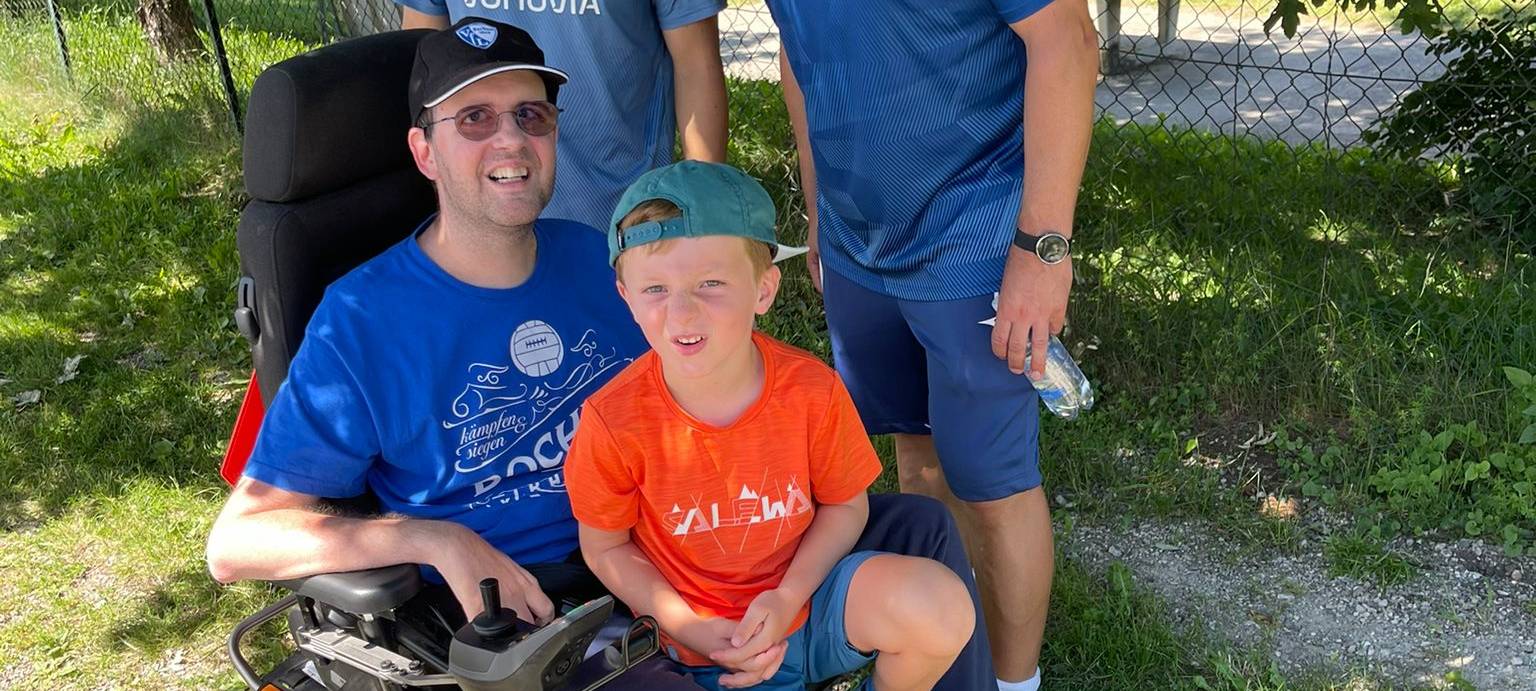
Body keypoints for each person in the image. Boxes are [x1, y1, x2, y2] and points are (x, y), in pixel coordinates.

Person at [205, 18, 993, 689]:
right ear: (423, 151)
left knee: (922, 532)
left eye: (531, 116)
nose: (511, 138)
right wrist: (427, 536)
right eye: (473, 118)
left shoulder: (593, 258)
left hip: (688, 534)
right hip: (552, 608)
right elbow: (238, 542)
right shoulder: (363, 320)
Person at [765, 1, 1100, 689]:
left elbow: (1067, 38)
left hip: (975, 233)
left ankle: (1014, 683)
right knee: (915, 455)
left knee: (991, 482)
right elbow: (800, 55)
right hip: (858, 238)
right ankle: (950, 660)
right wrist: (819, 204)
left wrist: (1042, 249)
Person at [567, 161, 976, 691]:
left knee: (939, 605)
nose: (682, 314)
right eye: (656, 289)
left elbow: (846, 504)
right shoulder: (613, 419)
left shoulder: (811, 389)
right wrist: (687, 625)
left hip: (809, 609)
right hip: (694, 646)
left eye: (710, 283)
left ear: (763, 290)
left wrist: (789, 597)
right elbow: (605, 546)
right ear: (626, 298)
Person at [394, 0, 728, 230]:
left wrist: (703, 205)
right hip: (482, 218)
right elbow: (422, 68)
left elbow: (696, 63)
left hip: (623, 212)